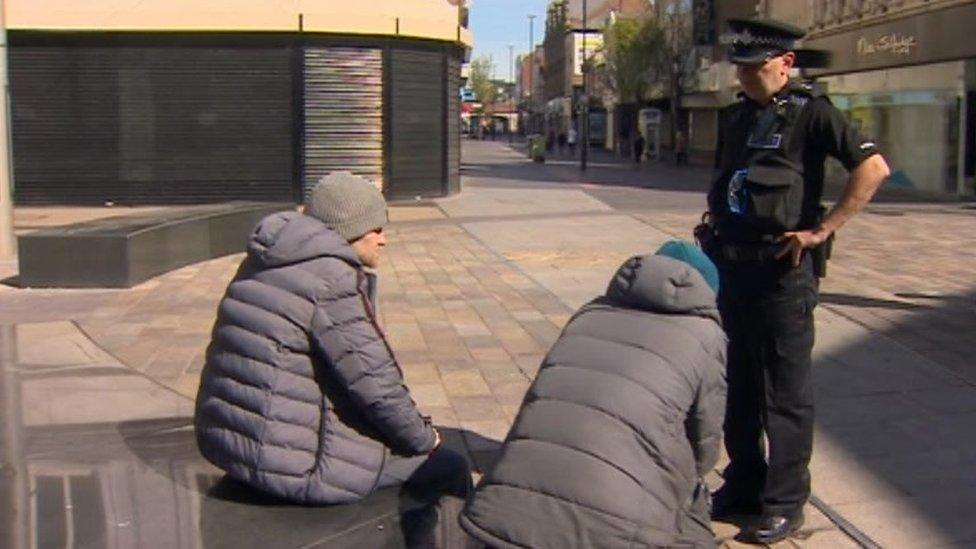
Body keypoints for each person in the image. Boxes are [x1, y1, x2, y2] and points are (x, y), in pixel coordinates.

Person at [705, 18, 890, 544]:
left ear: (785, 63)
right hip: (731, 267)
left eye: (755, 67)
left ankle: (784, 502)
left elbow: (873, 168)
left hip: (782, 272)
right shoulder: (736, 117)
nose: (744, 76)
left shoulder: (815, 114)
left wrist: (823, 229)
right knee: (737, 384)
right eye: (739, 67)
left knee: (783, 391)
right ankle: (743, 483)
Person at [194, 171, 472, 508]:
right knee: (451, 468)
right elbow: (376, 386)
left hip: (230, 444)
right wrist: (425, 439)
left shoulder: (266, 257)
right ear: (351, 230)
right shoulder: (330, 280)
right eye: (377, 229)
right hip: (293, 466)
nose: (383, 239)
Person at [460, 241, 727, 549]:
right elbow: (705, 440)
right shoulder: (706, 336)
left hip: (506, 505)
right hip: (615, 524)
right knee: (690, 514)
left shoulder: (591, 312)